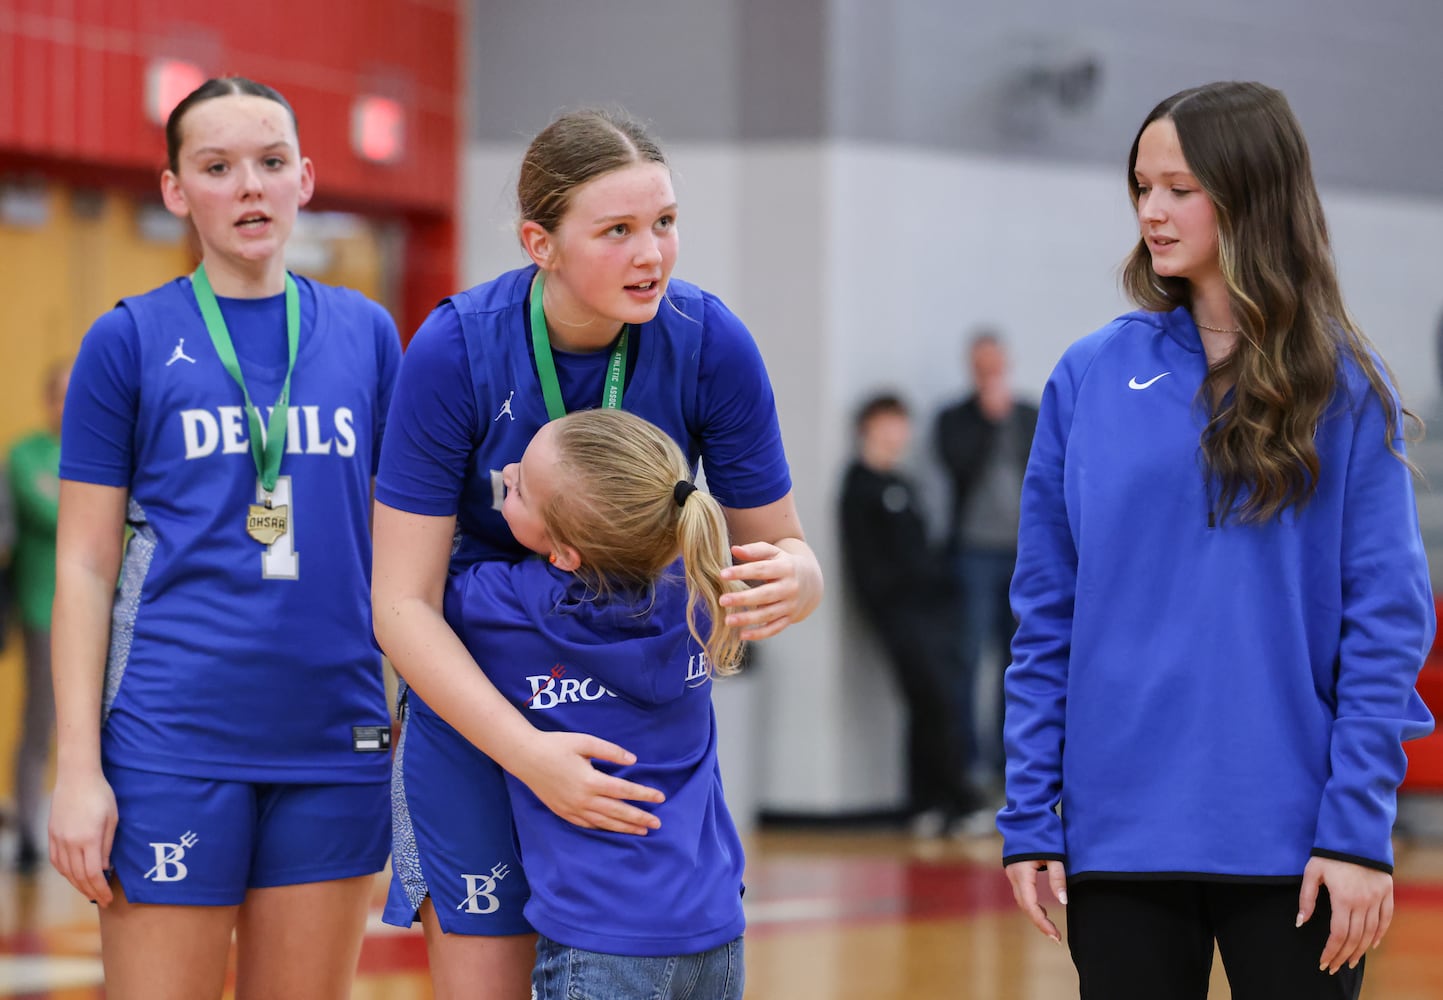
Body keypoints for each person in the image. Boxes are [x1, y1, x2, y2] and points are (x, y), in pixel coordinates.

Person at [373, 106, 823, 1000]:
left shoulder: (707, 341)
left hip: (631, 720)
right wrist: (527, 753)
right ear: (539, 242)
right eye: (616, 230)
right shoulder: (456, 347)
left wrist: (798, 580)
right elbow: (400, 603)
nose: (652, 253)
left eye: (662, 222)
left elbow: (781, 546)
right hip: (479, 717)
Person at [999, 80, 1435, 998]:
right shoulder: (1087, 375)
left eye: (1179, 188)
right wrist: (1030, 814)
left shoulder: (1347, 389)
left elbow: (1387, 624)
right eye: (1140, 188)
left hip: (1298, 842)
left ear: (1251, 194)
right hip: (1117, 835)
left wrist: (1357, 829)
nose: (1151, 211)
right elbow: (1045, 615)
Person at [47, 77, 402, 1000]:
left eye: (270, 163)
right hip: (172, 739)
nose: (249, 187)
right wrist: (77, 768)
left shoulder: (367, 335)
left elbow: (407, 554)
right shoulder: (125, 342)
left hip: (335, 737)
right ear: (176, 191)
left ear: (305, 180)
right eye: (218, 167)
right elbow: (82, 567)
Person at [448, 407, 747, 998]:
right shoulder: (702, 592)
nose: (505, 472)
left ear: (561, 555)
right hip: (718, 934)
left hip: (599, 942)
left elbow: (407, 597)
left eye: (520, 488)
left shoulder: (503, 608)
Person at [839, 393, 979, 836]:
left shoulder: (904, 484)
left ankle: (931, 803)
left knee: (935, 703)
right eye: (888, 423)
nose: (897, 433)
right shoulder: (860, 486)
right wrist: (892, 602)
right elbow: (869, 565)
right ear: (868, 426)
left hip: (931, 611)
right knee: (933, 700)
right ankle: (952, 800)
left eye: (902, 423)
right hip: (901, 614)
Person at [934, 331, 1037, 785]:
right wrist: (989, 420)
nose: (990, 375)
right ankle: (967, 766)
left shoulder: (1030, 415)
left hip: (1024, 553)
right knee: (968, 657)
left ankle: (1007, 766)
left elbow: (1046, 474)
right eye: (981, 367)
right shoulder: (955, 419)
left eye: (996, 365)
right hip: (974, 552)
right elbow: (958, 467)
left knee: (1017, 660)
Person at [6, 360, 68, 873]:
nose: (68, 406)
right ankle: (28, 828)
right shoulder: (25, 455)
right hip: (42, 605)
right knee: (40, 720)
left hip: (107, 607)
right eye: (61, 395)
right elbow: (52, 513)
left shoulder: (104, 448)